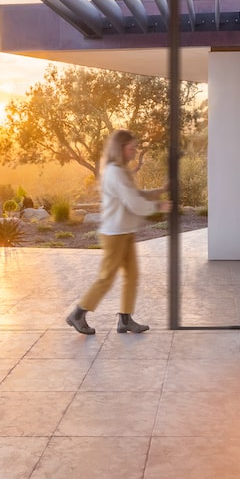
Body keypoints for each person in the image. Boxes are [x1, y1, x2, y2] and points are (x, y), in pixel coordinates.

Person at [65, 128, 170, 335]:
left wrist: (159, 192)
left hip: (125, 231)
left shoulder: (121, 171)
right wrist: (158, 206)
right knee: (106, 278)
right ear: (120, 148)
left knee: (132, 276)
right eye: (131, 148)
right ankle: (77, 314)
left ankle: (125, 319)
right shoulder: (114, 172)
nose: (134, 152)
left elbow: (135, 194)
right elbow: (134, 203)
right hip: (114, 234)